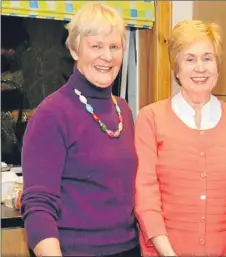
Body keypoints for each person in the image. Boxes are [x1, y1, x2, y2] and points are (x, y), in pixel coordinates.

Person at [134, 20, 226, 257]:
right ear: (176, 67)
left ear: (218, 65)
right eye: (190, 59)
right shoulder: (150, 119)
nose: (200, 68)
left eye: (208, 58)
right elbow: (145, 193)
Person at [20, 3, 139, 256]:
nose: (107, 56)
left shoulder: (124, 111)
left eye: (114, 47)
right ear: (74, 49)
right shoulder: (51, 114)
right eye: (96, 46)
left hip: (128, 248)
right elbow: (38, 206)